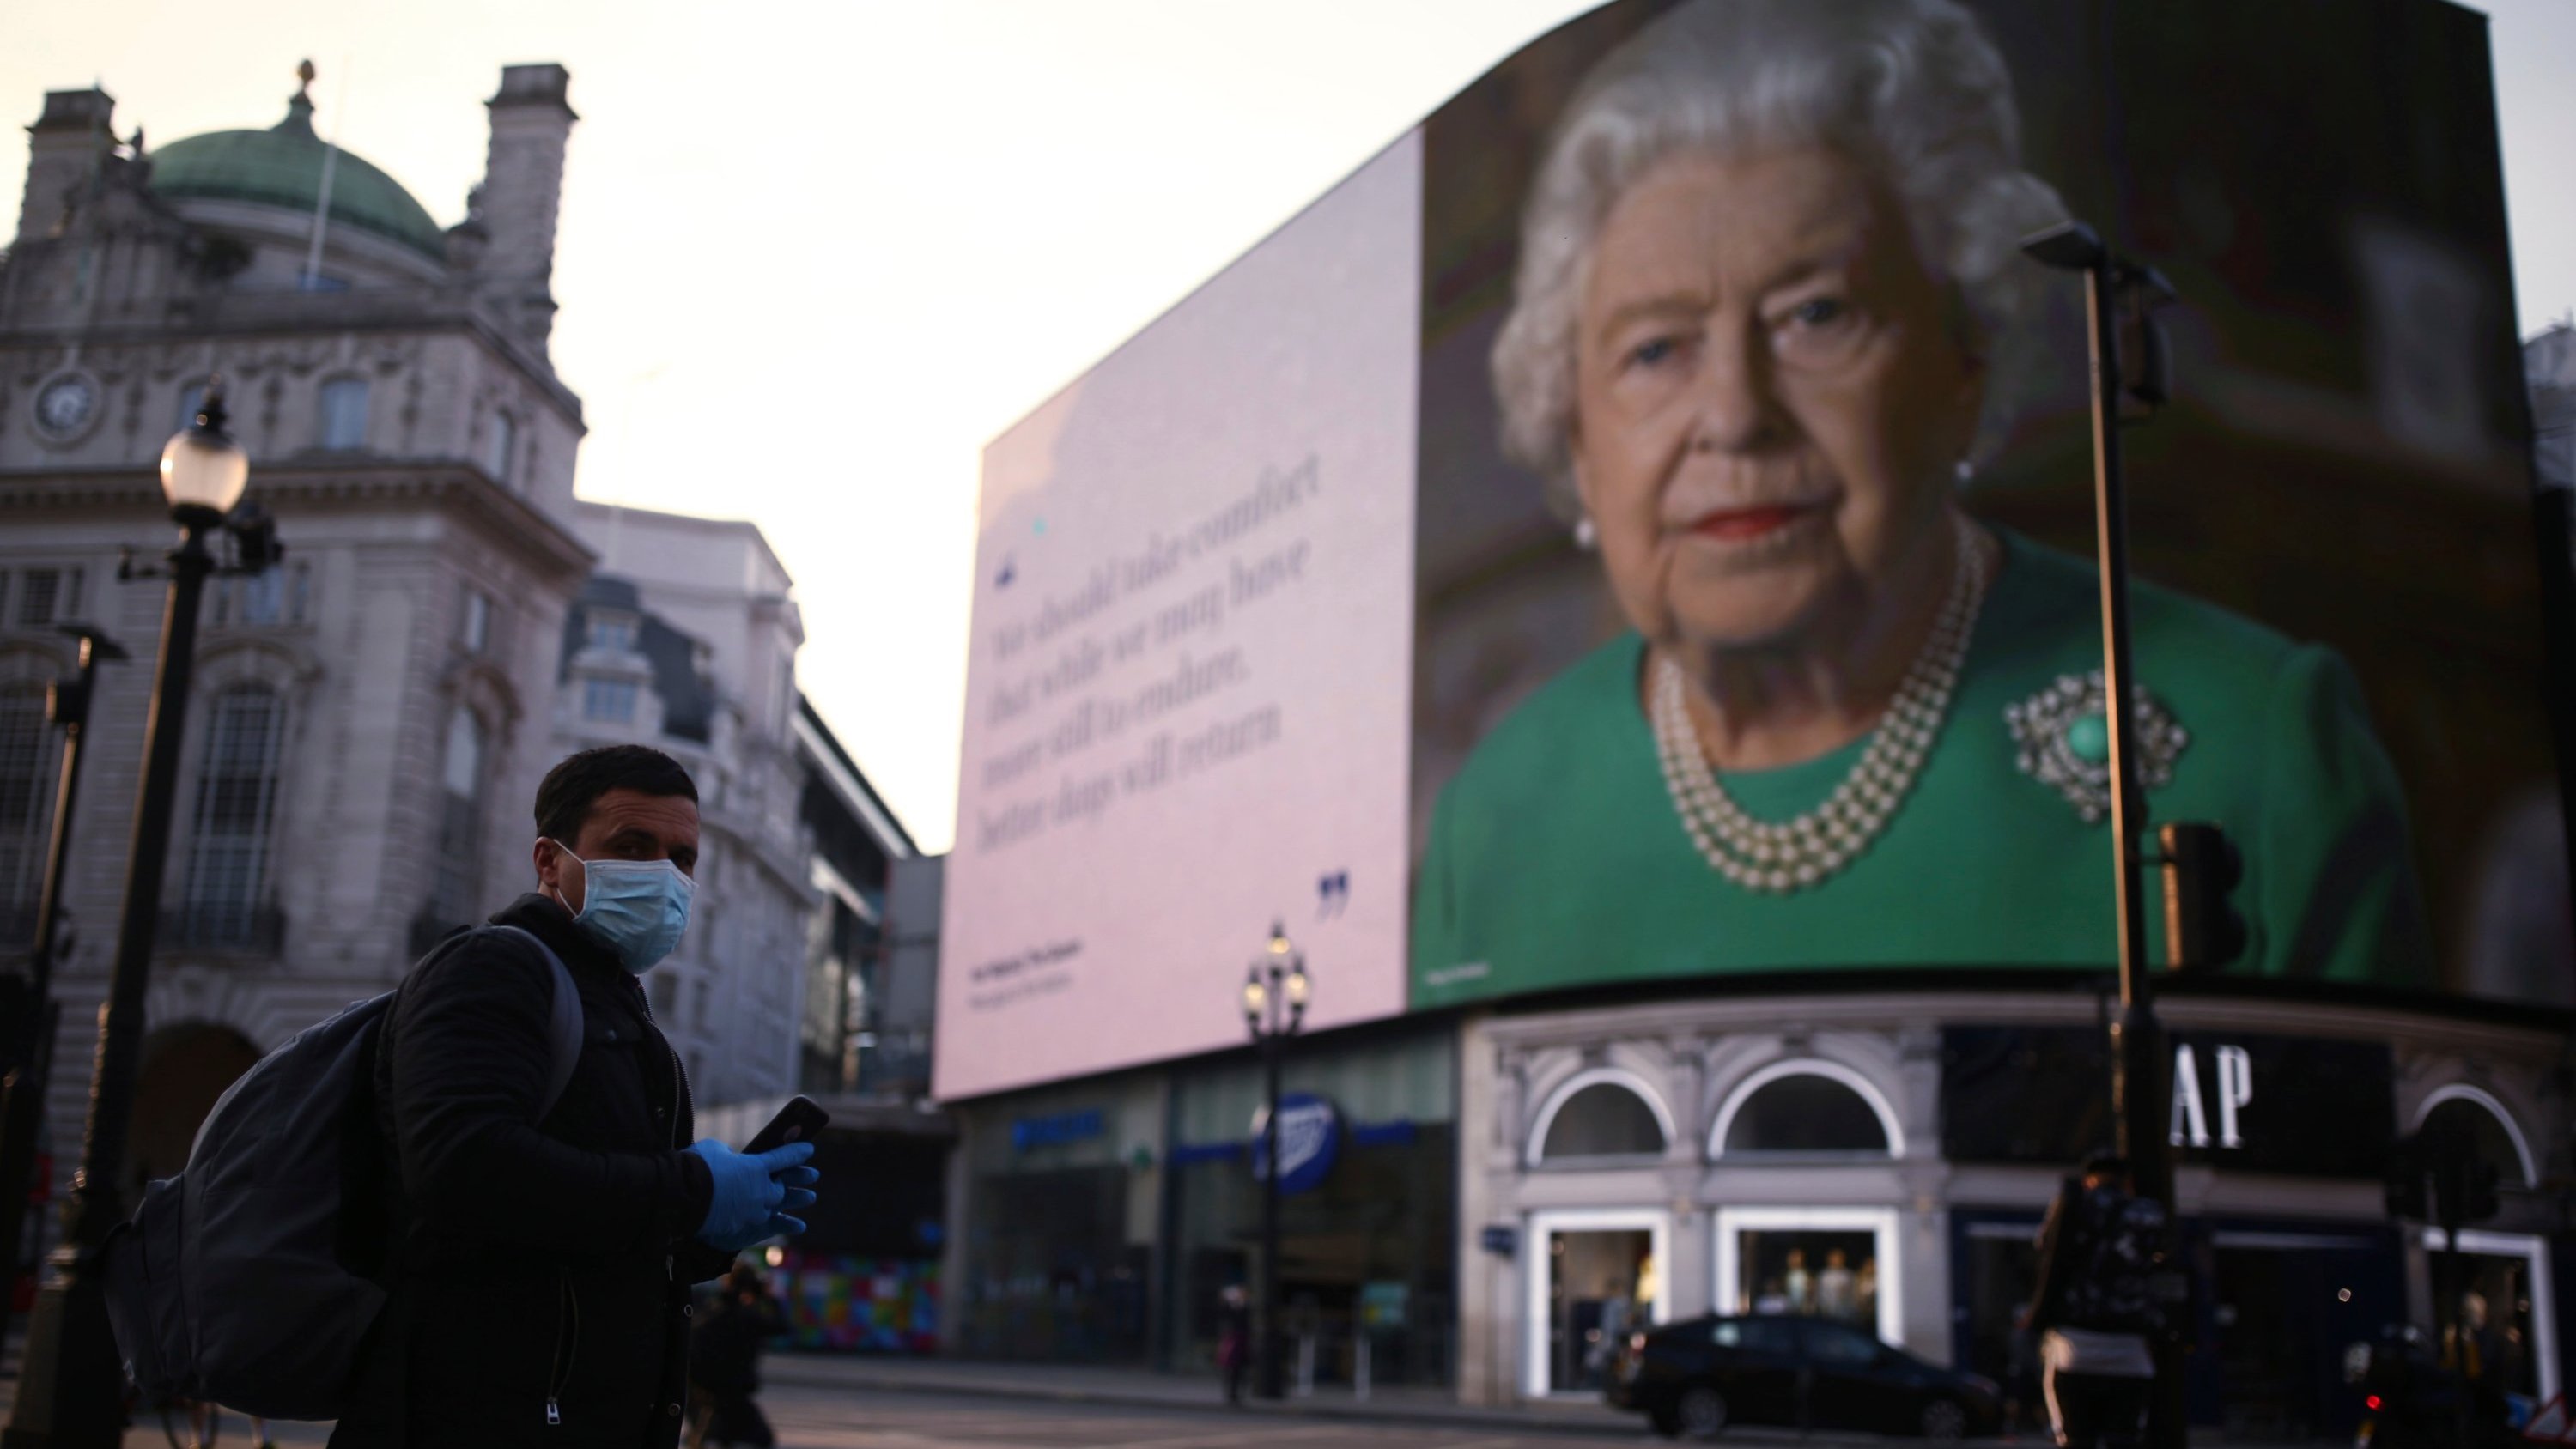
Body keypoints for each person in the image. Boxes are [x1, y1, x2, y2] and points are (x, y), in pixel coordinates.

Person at [1410, 0, 2428, 1003]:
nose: (1734, 414)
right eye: (1655, 349)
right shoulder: (1489, 826)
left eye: (1817, 314)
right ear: (1579, 438)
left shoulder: (2258, 745)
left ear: (1965, 359)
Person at [330, 744, 820, 1449]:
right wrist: (693, 1190)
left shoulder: (623, 1012)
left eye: (682, 859)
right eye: (631, 846)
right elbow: (464, 1168)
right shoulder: (493, 968)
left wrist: (707, 1238)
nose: (664, 875)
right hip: (471, 1419)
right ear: (549, 861)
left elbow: (595, 1234)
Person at [2024, 1156, 2159, 1449]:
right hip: (2131, 1349)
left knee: (2076, 1437)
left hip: (2075, 1344)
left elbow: (2046, 1249)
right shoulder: (2147, 1214)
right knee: (2123, 1437)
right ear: (2127, 1182)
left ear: (2090, 1180)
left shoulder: (2076, 1207)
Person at [688, 1264, 787, 1449]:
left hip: (708, 1388)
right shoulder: (748, 1317)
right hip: (733, 1390)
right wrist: (767, 1297)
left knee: (711, 1437)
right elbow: (781, 1326)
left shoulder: (712, 1312)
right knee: (761, 1438)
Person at [1216, 1283, 1252, 1404]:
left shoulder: (1246, 1307)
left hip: (1242, 1342)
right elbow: (1222, 1314)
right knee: (1229, 1369)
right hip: (1232, 1342)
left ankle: (1238, 1394)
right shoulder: (1230, 1308)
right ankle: (1230, 1393)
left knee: (1240, 1371)